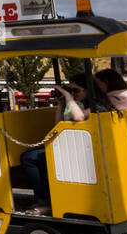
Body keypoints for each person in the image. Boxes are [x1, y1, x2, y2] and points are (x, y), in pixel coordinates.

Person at [19, 86, 87, 215]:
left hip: (79, 147)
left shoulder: (89, 105)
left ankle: (44, 202)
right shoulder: (74, 104)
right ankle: (45, 200)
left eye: (76, 90)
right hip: (69, 144)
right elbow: (58, 125)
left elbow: (79, 118)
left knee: (31, 158)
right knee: (30, 155)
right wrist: (61, 104)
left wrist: (68, 97)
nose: (73, 93)